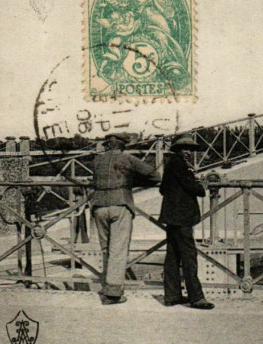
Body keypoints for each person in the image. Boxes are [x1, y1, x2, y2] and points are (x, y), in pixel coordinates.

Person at [92, 133, 161, 305]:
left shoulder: (97, 161)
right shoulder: (128, 159)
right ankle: (113, 293)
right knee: (118, 249)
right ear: (122, 146)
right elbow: (154, 176)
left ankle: (106, 286)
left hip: (99, 205)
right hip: (120, 204)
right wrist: (131, 179)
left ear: (108, 145)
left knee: (106, 248)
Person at [159, 136, 215, 310]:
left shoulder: (170, 164)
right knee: (189, 257)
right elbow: (196, 190)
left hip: (171, 217)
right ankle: (196, 298)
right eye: (185, 149)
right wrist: (203, 185)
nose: (189, 152)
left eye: (190, 149)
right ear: (178, 150)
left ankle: (172, 295)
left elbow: (162, 189)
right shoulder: (180, 165)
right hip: (182, 218)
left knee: (173, 256)